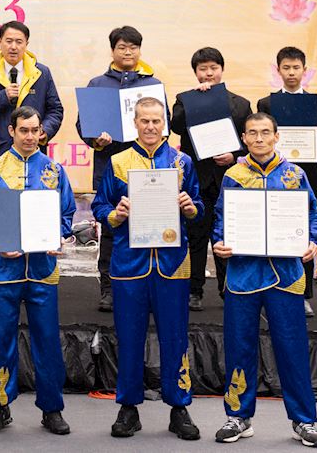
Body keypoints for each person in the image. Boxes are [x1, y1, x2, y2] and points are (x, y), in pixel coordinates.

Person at [211, 113, 317, 449]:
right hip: (242, 275)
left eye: (265, 132)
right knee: (239, 347)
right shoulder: (233, 175)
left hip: (285, 276)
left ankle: (304, 420)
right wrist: (219, 241)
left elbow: (311, 215)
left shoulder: (295, 174)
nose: (259, 138)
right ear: (243, 139)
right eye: (252, 133)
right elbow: (221, 218)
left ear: (276, 136)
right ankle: (238, 416)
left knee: (292, 349)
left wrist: (312, 242)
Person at [92, 97, 203, 441]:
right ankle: (128, 407)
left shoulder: (182, 162)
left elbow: (199, 206)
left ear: (165, 123)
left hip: (173, 263)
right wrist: (116, 215)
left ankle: (179, 407)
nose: (151, 127)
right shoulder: (118, 161)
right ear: (135, 123)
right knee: (128, 338)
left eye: (156, 121)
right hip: (129, 263)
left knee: (175, 337)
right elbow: (100, 205)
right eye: (145, 121)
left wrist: (190, 208)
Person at [0, 106, 76, 436]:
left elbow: (67, 214)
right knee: (0, 339)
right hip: (4, 270)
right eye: (24, 130)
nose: (30, 136)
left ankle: (52, 409)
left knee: (47, 340)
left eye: (35, 131)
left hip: (43, 270)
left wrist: (59, 237)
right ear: (11, 131)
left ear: (41, 132)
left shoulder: (54, 171)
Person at [76, 25, 160, 312]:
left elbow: (164, 122)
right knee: (111, 230)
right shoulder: (97, 84)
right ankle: (108, 289)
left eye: (133, 47)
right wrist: (95, 140)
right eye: (122, 47)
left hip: (146, 169)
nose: (128, 52)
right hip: (109, 168)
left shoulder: (151, 84)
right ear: (112, 50)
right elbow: (82, 124)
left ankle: (144, 287)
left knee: (147, 227)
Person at [170, 47, 252, 314]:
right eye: (203, 69)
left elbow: (249, 140)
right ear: (195, 72)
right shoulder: (184, 100)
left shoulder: (241, 104)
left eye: (213, 68)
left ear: (222, 69)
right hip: (198, 181)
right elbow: (176, 127)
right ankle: (194, 291)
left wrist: (234, 156)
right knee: (196, 238)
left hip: (228, 181)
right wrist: (196, 100)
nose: (208, 73)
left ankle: (228, 289)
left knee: (227, 238)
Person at [255, 46, 317, 317]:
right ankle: (271, 290)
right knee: (273, 235)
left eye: (296, 67)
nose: (291, 73)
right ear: (278, 70)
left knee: (304, 237)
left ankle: (304, 294)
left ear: (304, 70)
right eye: (286, 68)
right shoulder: (266, 104)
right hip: (273, 177)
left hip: (306, 178)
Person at [0, 20, 64, 167]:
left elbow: (55, 109)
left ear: (26, 44)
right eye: (9, 41)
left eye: (19, 42)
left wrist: (44, 130)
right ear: (0, 42)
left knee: (33, 183)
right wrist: (3, 97)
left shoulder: (41, 73)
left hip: (33, 152)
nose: (13, 47)